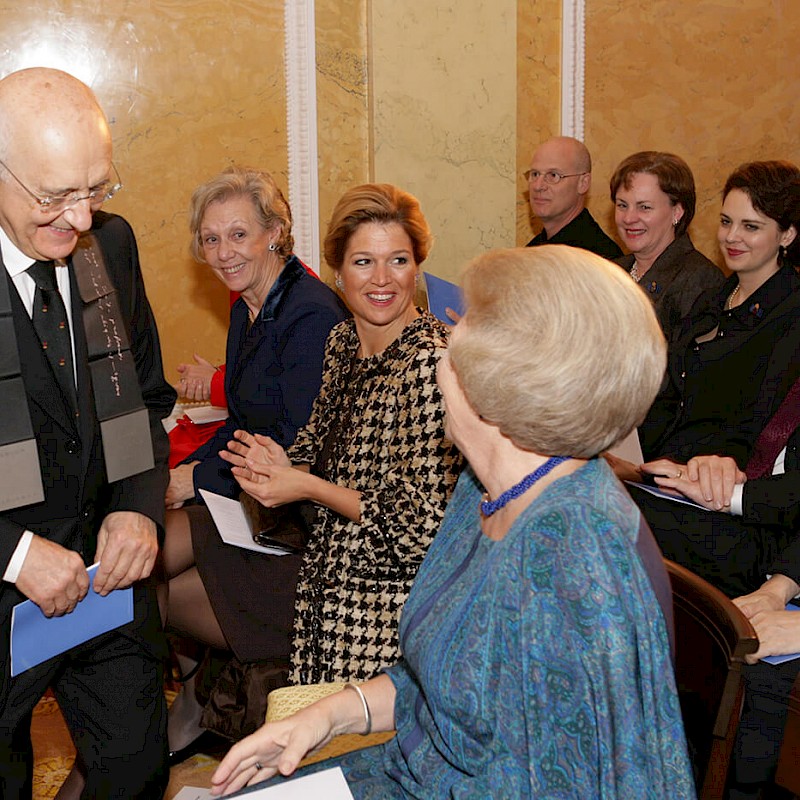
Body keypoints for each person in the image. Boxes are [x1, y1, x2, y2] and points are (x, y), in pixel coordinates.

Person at [210, 245, 694, 799]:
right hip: (414, 768)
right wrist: (329, 715)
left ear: (508, 376)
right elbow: (448, 678)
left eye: (469, 322)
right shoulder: (485, 486)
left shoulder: (569, 557)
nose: (448, 330)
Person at [0, 68, 175, 797]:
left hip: (107, 577)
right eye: (53, 197)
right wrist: (14, 555)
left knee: (137, 771)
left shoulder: (113, 245)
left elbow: (144, 400)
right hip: (6, 586)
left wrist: (136, 506)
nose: (78, 219)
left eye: (95, 189)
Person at [220, 183, 463, 688]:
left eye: (398, 261)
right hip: (327, 588)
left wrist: (306, 486)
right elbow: (316, 444)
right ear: (337, 272)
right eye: (363, 262)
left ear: (417, 268)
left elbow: (417, 527)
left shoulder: (431, 363)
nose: (382, 279)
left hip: (388, 613)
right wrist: (280, 462)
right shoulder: (342, 340)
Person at [159, 166, 347, 756]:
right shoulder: (248, 307)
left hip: (301, 526)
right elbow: (241, 420)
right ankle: (183, 704)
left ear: (276, 232)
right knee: (141, 553)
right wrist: (183, 476)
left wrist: (195, 478)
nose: (223, 252)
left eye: (238, 234)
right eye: (211, 239)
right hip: (252, 498)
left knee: (146, 585)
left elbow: (294, 444)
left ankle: (171, 713)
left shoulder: (311, 314)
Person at [616, 160, 800, 597]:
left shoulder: (792, 316)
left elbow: (762, 433)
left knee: (596, 513)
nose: (732, 237)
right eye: (726, 221)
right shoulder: (715, 299)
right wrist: (637, 461)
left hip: (734, 510)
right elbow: (674, 400)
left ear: (787, 235)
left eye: (751, 227)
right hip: (672, 481)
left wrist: (709, 474)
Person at [611, 150, 724, 341]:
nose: (629, 218)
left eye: (644, 207)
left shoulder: (700, 280)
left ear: (677, 212)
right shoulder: (611, 271)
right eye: (622, 205)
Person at [525, 135, 622, 259]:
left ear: (583, 183)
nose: (538, 186)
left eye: (553, 175)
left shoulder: (599, 258)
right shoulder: (531, 251)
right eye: (535, 174)